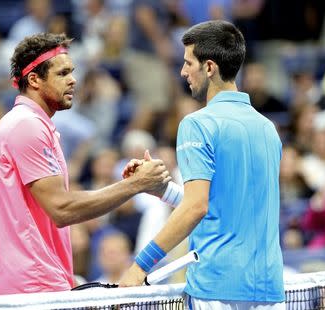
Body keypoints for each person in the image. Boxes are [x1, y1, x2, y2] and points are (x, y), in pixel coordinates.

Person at [0, 32, 170, 296]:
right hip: (33, 287)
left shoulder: (31, 124)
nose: (73, 81)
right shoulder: (27, 125)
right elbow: (62, 209)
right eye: (62, 74)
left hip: (33, 283)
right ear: (34, 79)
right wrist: (136, 185)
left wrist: (128, 185)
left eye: (72, 72)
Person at [119, 20, 285, 309]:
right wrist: (164, 190)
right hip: (270, 290)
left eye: (188, 63)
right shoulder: (268, 128)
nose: (183, 72)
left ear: (209, 67)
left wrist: (139, 267)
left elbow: (197, 207)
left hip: (217, 290)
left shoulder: (197, 124)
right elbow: (221, 209)